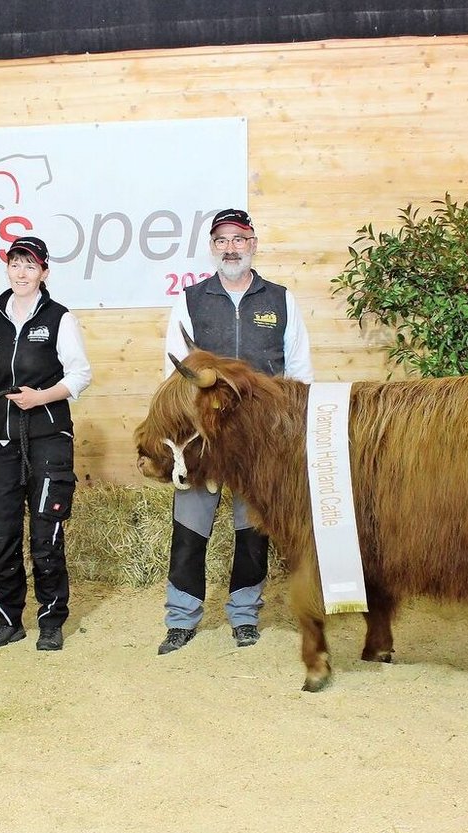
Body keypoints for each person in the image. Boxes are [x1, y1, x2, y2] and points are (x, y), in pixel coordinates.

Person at [157, 207, 313, 655]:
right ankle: (181, 618)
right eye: (222, 240)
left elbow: (299, 372)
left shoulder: (280, 299)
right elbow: (174, 374)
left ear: (253, 244)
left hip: (261, 442)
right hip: (203, 439)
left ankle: (244, 615)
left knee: (252, 531)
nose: (231, 248)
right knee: (190, 526)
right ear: (212, 247)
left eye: (239, 239)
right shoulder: (191, 300)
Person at [0, 235, 93, 652]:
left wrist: (41, 397)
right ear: (7, 269)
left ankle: (51, 620)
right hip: (1, 439)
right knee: (0, 534)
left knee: (45, 534)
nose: (22, 273)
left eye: (30, 266)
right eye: (15, 264)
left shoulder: (59, 318)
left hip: (48, 436)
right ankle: (7, 620)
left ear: (44, 272)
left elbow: (79, 375)